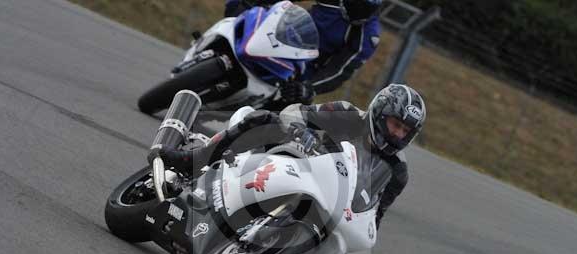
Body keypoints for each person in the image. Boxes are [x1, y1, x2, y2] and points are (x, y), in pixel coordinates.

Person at [148, 84, 426, 227]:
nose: (397, 134)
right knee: (264, 120)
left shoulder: (396, 172)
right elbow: (295, 113)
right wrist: (300, 130)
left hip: (325, 200)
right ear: (379, 114)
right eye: (395, 124)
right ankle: (192, 161)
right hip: (290, 160)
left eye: (404, 130)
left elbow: (377, 214)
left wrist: (366, 227)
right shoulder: (348, 114)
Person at [225, 0, 384, 106]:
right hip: (280, 36)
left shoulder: (369, 36)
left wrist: (309, 88)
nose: (359, 13)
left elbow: (340, 70)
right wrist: (247, 4)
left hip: (301, 71)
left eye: (367, 10)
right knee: (237, 33)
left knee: (285, 115)